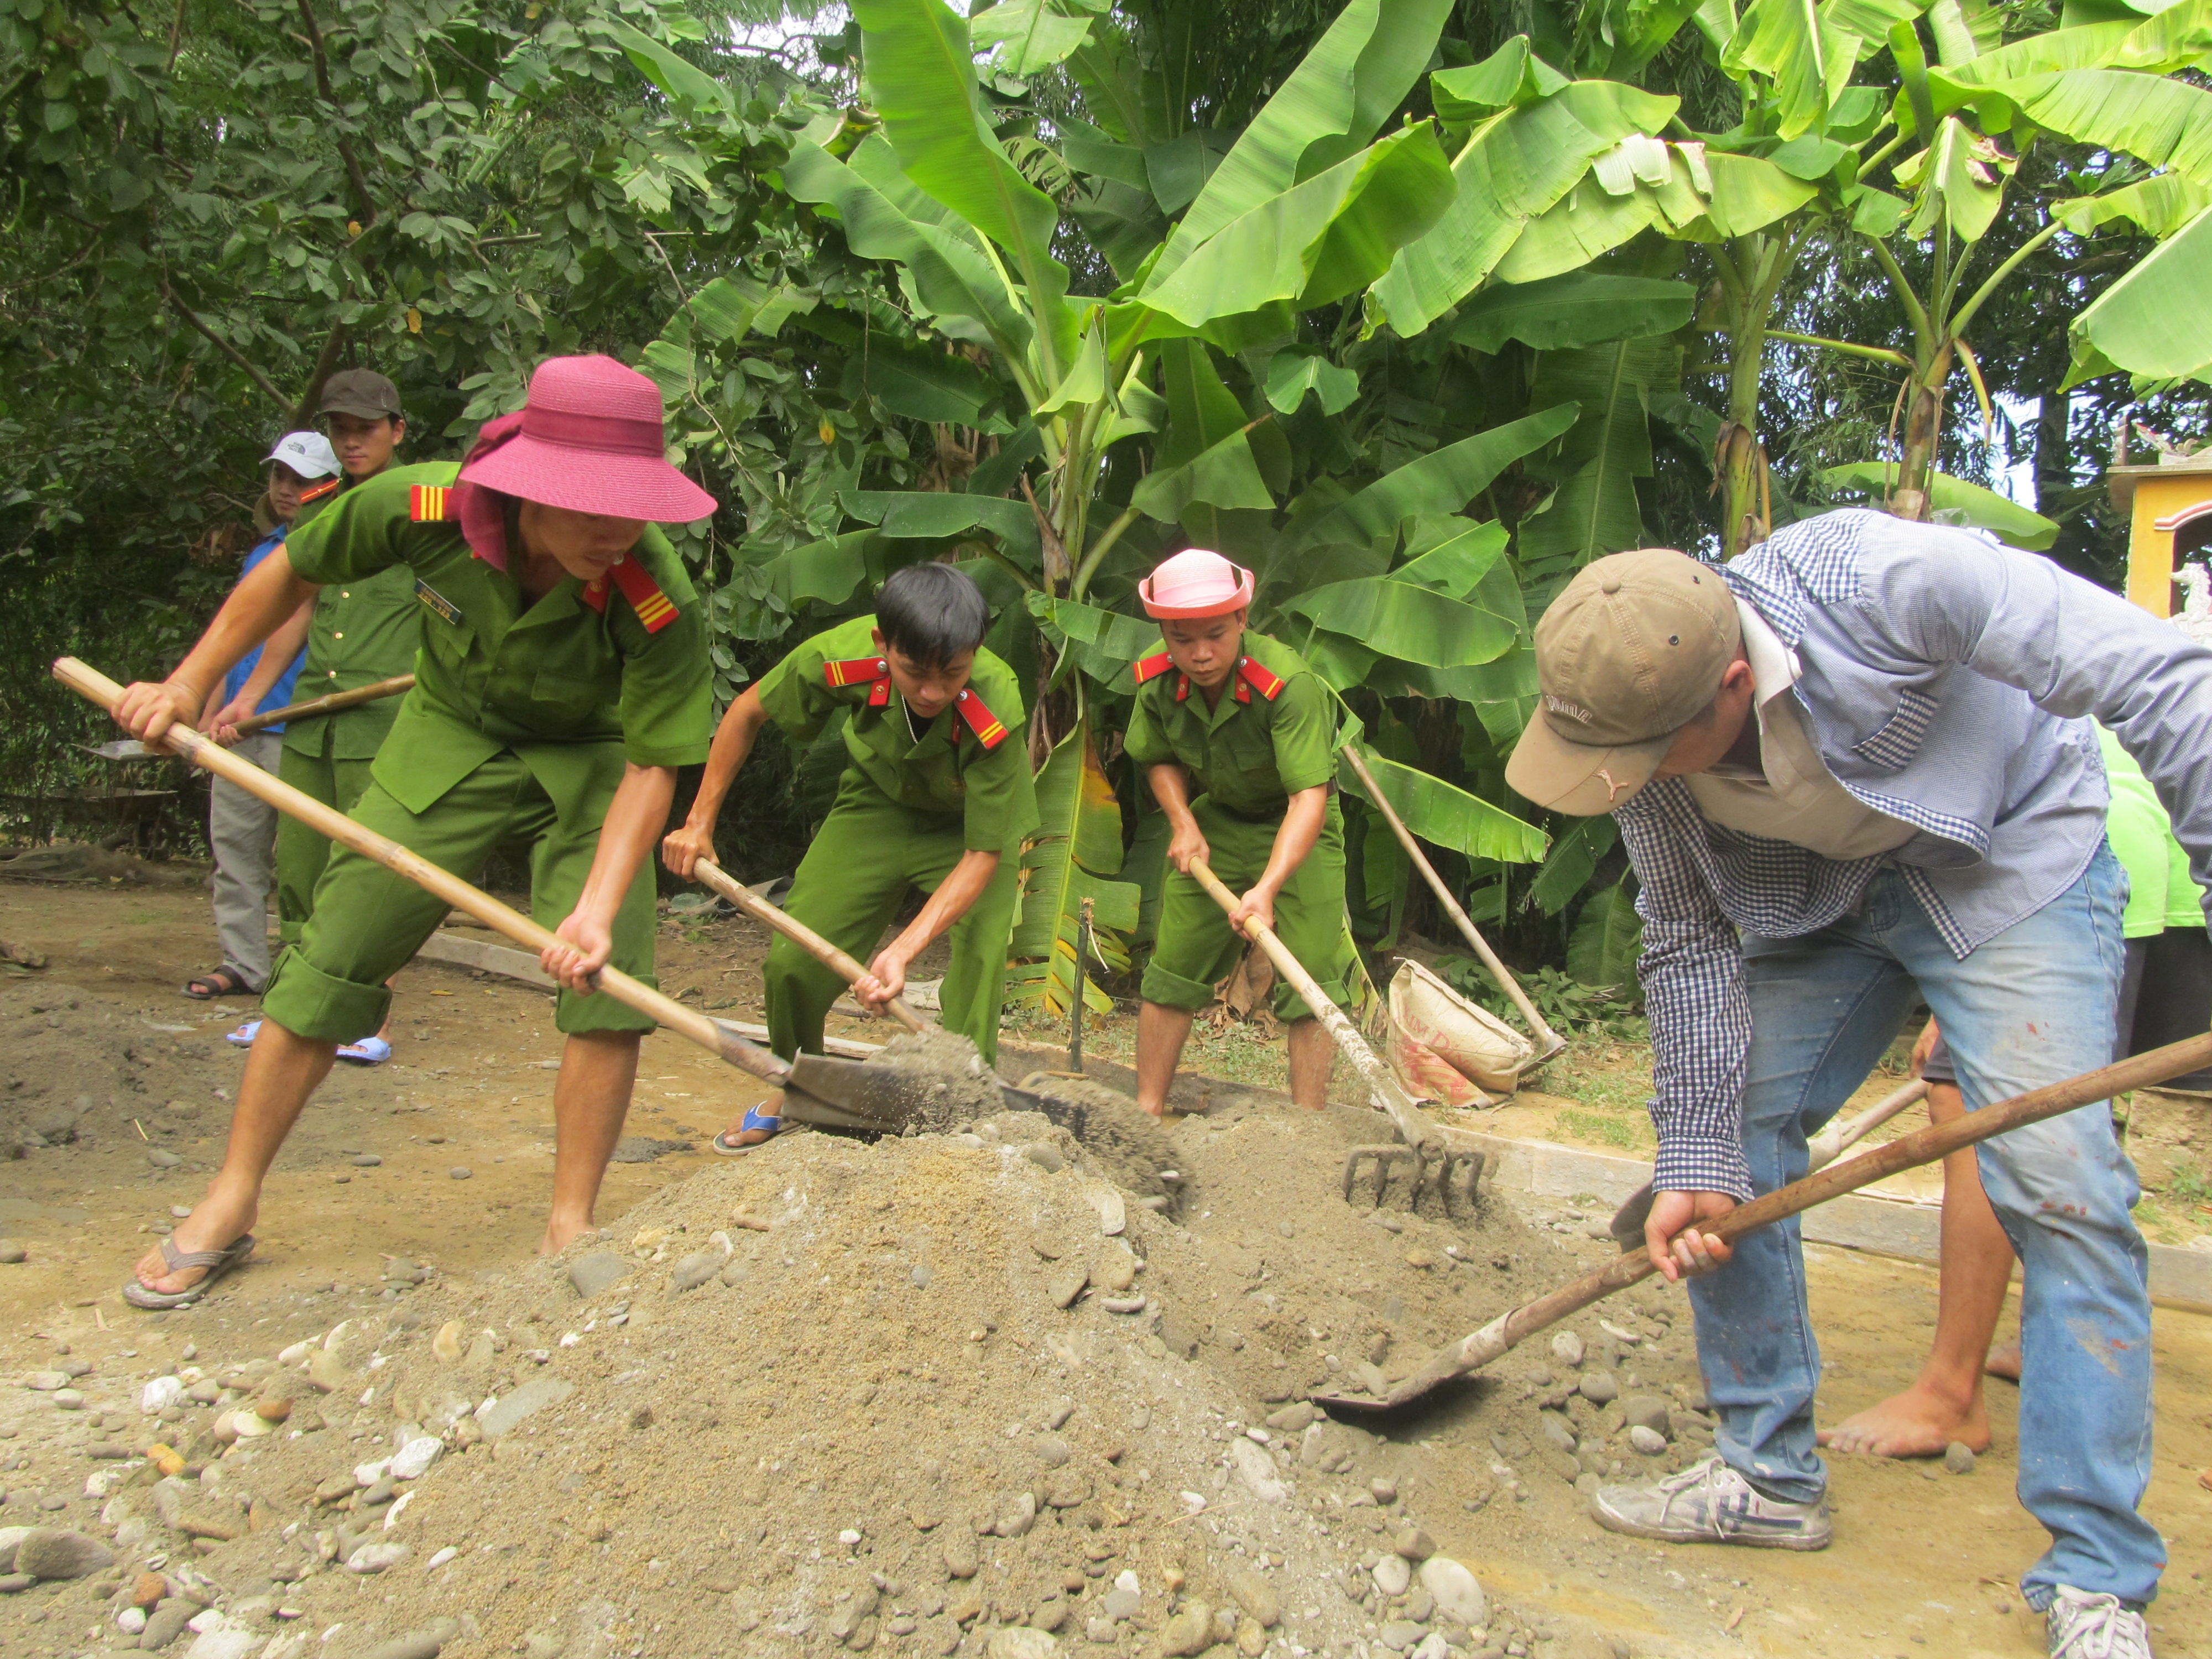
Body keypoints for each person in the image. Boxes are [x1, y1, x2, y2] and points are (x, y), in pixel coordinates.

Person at [1503, 516, 2210, 1659]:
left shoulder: (1891, 583)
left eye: (1646, 757)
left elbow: (2163, 677)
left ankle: (2094, 1576)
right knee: (1720, 1147)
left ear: (1730, 683)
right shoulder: (1630, 728)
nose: (1623, 781)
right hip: (1822, 896)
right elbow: (1685, 938)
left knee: (2063, 1187)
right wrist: (1691, 1157)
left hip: (2004, 861)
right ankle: (1766, 1474)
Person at [109, 353, 716, 1308]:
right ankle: (231, 1198)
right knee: (332, 951)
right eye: (594, 508)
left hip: (595, 761)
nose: (618, 531)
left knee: (611, 980)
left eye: (633, 507)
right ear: (529, 490)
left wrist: (596, 910)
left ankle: (570, 1220)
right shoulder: (426, 507)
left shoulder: (652, 589)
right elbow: (291, 571)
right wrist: (189, 683)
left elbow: (654, 761)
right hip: (452, 735)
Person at [1819, 725, 2211, 1459]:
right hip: (2168, 865)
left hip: (2075, 869)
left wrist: (1957, 998)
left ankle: (1950, 1395)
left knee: (1969, 1107)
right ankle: (2051, 1341)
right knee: (2073, 1120)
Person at [661, 564, 1036, 1152]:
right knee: (791, 964)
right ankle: (795, 1086)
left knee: (983, 952)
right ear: (881, 646)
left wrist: (902, 951)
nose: (934, 692)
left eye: (953, 674)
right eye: (914, 673)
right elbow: (746, 713)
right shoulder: (838, 658)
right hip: (876, 805)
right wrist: (698, 822)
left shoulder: (997, 703)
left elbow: (982, 854)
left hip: (966, 833)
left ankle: (963, 1106)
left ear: (976, 651)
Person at [1124, 547, 1351, 1118]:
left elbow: (1309, 798)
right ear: (1163, 633)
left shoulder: (1288, 684)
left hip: (1295, 826)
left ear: (1243, 621)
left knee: (1312, 981)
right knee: (1172, 967)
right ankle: (1145, 1114)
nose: (1199, 654)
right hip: (1216, 821)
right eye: (1181, 639)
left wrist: (1268, 887)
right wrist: (1183, 823)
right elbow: (1157, 758)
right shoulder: (1155, 679)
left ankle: (1307, 1134)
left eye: (1216, 636)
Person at [259, 368, 422, 1062]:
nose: (352, 442)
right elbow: (296, 608)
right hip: (312, 718)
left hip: (383, 722)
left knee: (365, 870)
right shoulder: (322, 512)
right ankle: (288, 1016)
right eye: (341, 430)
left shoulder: (429, 503)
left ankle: (366, 1019)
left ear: (397, 430)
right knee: (296, 866)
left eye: (365, 429)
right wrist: (248, 698)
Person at [184, 433, 337, 1001]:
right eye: (279, 478)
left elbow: (294, 633)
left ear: (329, 486)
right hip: (237, 729)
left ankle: (314, 969)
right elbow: (235, 637)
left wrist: (243, 703)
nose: (286, 490)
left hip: (298, 726)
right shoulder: (261, 552)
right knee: (236, 851)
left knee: (307, 861)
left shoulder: (335, 550)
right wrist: (210, 707)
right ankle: (243, 964)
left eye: (300, 480)